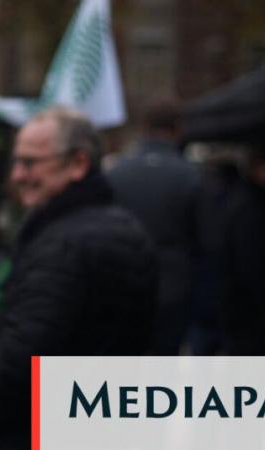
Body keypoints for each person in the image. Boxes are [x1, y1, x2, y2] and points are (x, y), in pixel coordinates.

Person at [0, 107, 157, 450]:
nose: (17, 175)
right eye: (16, 163)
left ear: (78, 163)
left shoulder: (61, 244)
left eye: (30, 163)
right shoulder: (125, 227)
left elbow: (22, 358)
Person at [107, 97, 200, 355]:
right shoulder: (191, 176)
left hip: (122, 285)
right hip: (173, 291)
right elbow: (203, 239)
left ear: (144, 127)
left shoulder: (115, 173)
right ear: (178, 128)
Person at [221, 146, 265, 355]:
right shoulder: (252, 207)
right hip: (250, 310)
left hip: (242, 308)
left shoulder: (245, 199)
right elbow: (251, 265)